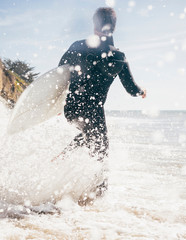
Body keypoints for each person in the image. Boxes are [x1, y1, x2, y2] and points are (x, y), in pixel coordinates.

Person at [58, 7, 146, 163]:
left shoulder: (78, 47)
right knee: (101, 161)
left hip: (71, 109)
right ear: (114, 27)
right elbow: (131, 89)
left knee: (88, 132)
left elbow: (59, 75)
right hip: (93, 112)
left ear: (94, 24)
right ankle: (91, 180)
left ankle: (62, 156)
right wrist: (142, 92)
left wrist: (57, 102)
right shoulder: (119, 57)